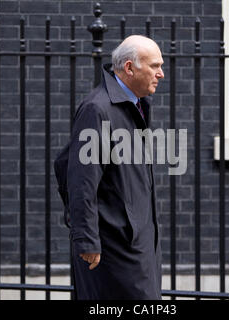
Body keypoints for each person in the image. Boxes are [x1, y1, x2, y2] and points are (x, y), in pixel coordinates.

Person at [62, 35, 164, 300]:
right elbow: (81, 179)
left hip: (138, 243)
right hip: (111, 248)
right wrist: (86, 239)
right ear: (129, 68)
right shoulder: (98, 109)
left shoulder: (135, 105)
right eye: (154, 66)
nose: (161, 74)